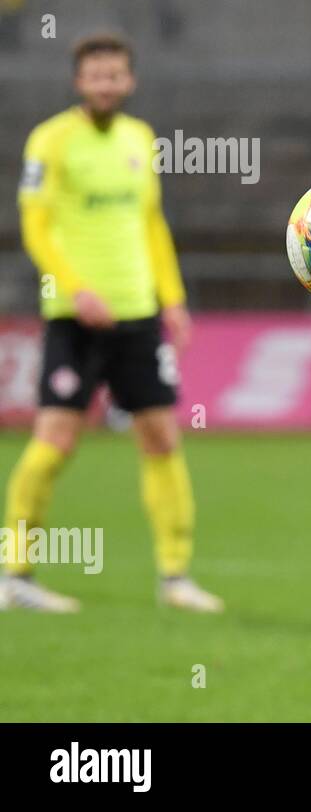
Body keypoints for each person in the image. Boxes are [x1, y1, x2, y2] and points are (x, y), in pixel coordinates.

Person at [1, 33, 222, 614]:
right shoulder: (50, 140)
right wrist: (75, 289)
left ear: (130, 81)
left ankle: (175, 578)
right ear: (79, 82)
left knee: (160, 437)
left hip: (137, 316)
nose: (105, 84)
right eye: (95, 75)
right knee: (54, 440)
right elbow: (36, 227)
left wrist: (171, 298)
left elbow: (150, 224)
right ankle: (14, 575)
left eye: (115, 74)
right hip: (73, 319)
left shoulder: (139, 138)